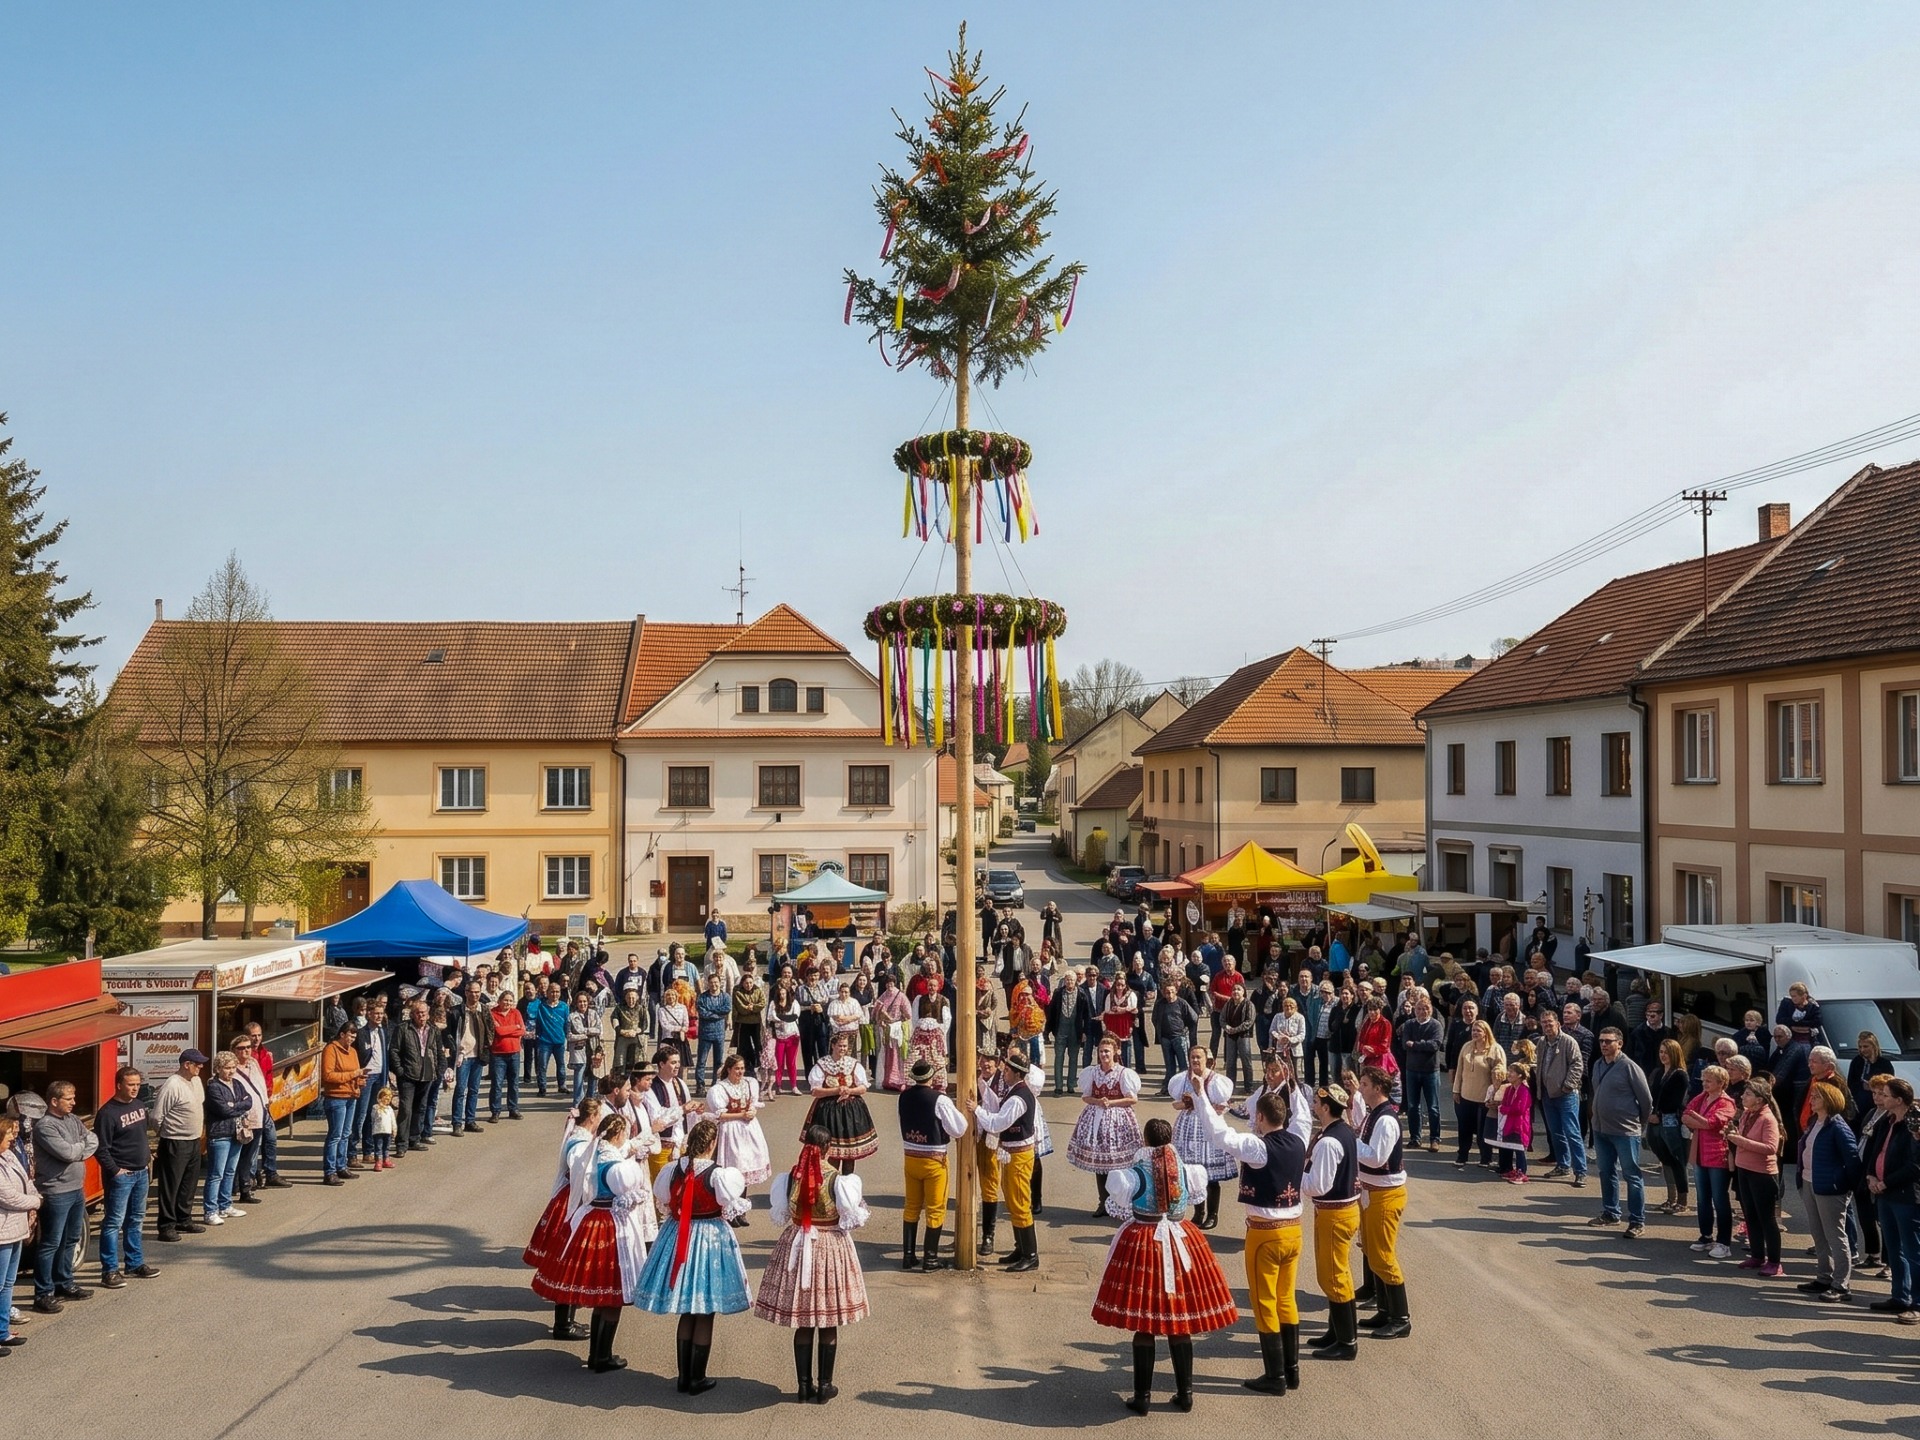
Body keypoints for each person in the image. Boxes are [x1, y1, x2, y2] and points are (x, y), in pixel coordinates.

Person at [1093, 1116, 1239, 1415]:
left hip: (1144, 1243)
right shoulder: (1185, 1170)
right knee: (1178, 1318)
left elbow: (1119, 1202)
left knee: (1145, 1320)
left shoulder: (1133, 1173)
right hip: (1180, 1239)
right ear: (1169, 1139)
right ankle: (1185, 1394)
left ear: (1146, 1141)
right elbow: (1193, 1195)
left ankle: (1142, 1397)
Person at [1202, 1067, 1312, 1396]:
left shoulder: (1258, 1147)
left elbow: (1219, 1135)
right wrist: (1290, 1083)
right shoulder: (1299, 1138)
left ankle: (1275, 1376)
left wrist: (1199, 1097)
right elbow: (1303, 1113)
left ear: (1262, 1118)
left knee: (1264, 1301)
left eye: (1255, 1117)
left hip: (1265, 1232)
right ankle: (1291, 1371)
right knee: (1286, 1298)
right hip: (1294, 1229)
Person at [753, 1125, 872, 1404]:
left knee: (804, 1321)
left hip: (798, 1244)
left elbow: (781, 1215)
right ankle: (824, 1385)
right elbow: (851, 1217)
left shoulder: (789, 1179)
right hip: (829, 1246)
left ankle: (803, 1386)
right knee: (828, 1320)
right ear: (828, 1148)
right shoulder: (839, 1180)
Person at [633, 1118, 752, 1395]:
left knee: (687, 1310)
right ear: (712, 1144)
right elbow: (728, 1203)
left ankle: (683, 1377)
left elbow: (664, 1199)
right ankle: (696, 1378)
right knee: (705, 1310)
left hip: (677, 1236)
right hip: (709, 1238)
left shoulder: (673, 1169)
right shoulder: (719, 1174)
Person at [534, 1113, 657, 1374]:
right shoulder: (617, 1166)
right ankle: (602, 1356)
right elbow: (628, 1196)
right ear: (617, 1134)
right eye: (624, 1132)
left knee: (603, 1294)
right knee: (612, 1294)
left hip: (590, 1220)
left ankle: (598, 1353)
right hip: (610, 1226)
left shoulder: (591, 1155)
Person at [523, 1099, 604, 1341]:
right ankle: (563, 1325)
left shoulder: (581, 1138)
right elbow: (580, 1171)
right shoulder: (579, 1143)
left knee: (568, 1263)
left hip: (571, 1200)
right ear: (591, 1118)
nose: (600, 1119)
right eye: (599, 1115)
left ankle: (566, 1320)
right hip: (573, 1202)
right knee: (568, 1262)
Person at [1301, 1082, 1361, 1361]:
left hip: (1334, 1213)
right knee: (1337, 1274)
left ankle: (1347, 1342)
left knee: (1334, 1276)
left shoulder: (1328, 1142)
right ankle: (1336, 1331)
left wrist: (1293, 1174)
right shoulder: (1343, 1132)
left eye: (1316, 1103)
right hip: (1341, 1211)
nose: (1314, 1106)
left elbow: (1318, 1185)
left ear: (1326, 1108)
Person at [1352, 1065, 1413, 1338]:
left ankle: (1401, 1318)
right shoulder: (1373, 1115)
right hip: (1371, 1191)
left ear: (1378, 1088)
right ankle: (1386, 1311)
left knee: (1383, 1255)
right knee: (1371, 1251)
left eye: (1364, 1084)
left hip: (1385, 1194)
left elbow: (1377, 1157)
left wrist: (1349, 1142)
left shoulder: (1386, 1119)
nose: (1360, 1088)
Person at [30, 1080, 98, 1312]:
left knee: (71, 1239)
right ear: (54, 1101)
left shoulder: (73, 1119)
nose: (74, 1102)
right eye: (69, 1099)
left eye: (73, 1097)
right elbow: (67, 1152)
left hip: (76, 1189)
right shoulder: (45, 1126)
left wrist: (77, 1149)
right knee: (50, 1243)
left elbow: (93, 1140)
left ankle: (64, 1283)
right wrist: (79, 1149)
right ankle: (43, 1293)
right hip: (55, 1192)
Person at [897, 1057, 969, 1271]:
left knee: (911, 1206)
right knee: (935, 1209)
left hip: (911, 1156)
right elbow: (960, 1128)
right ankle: (930, 1258)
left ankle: (908, 1256)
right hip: (934, 1159)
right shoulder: (940, 1099)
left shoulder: (903, 1097)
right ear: (930, 1077)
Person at [975, 1049, 1043, 1271]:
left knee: (1020, 1202)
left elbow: (997, 1124)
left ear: (1015, 1073)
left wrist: (976, 1109)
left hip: (1019, 1155)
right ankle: (1021, 1248)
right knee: (1013, 1200)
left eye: (1006, 1070)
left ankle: (1031, 1254)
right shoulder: (1016, 1092)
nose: (1003, 1073)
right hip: (1014, 1153)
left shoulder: (1018, 1097)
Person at [94, 1065, 158, 1288]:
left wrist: (148, 1156)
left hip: (142, 1172)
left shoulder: (140, 1106)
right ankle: (109, 1270)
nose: (135, 1089)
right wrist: (115, 1171)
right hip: (121, 1176)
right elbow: (101, 1148)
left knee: (136, 1220)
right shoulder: (107, 1113)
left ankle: (134, 1263)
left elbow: (141, 1135)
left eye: (138, 1084)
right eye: (131, 1085)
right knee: (113, 1223)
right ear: (119, 1084)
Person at [1863, 1077, 1920, 1322]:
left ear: (1898, 1100)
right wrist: (1870, 1176)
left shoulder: (1913, 1124)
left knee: (1912, 1250)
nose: (1880, 1098)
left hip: (1904, 1196)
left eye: (1885, 1095)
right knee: (1894, 1248)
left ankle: (1917, 1303)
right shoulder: (1887, 1120)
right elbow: (1875, 1150)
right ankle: (1900, 1296)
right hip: (1883, 1193)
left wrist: (1886, 1182)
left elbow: (1915, 1165)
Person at [1587, 1027, 1654, 1237]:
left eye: (1608, 1041)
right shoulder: (1598, 1064)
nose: (1604, 1045)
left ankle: (1636, 1221)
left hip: (1625, 1131)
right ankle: (1611, 1213)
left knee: (1631, 1175)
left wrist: (1637, 1124)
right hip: (1600, 1130)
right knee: (1606, 1173)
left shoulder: (1629, 1067)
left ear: (1620, 1043)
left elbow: (1646, 1101)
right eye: (1601, 1041)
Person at [1797, 1079, 1859, 1301]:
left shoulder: (1838, 1126)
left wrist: (1844, 1185)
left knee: (1835, 1235)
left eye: (1817, 1097)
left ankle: (1841, 1285)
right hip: (1810, 1182)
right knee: (1818, 1234)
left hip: (1830, 1189)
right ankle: (1824, 1277)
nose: (1812, 1100)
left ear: (1829, 1100)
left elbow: (1852, 1159)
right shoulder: (1816, 1122)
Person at [1070, 1038, 1144, 1217]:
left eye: (1107, 1051)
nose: (1103, 1055)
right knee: (1100, 1164)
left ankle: (1121, 1202)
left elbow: (1132, 1099)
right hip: (1096, 1119)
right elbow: (1086, 1097)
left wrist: (1111, 1102)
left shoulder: (1123, 1073)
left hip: (1119, 1120)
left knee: (1118, 1165)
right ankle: (1103, 1202)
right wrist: (1097, 1101)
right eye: (1101, 1051)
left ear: (1116, 1052)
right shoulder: (1092, 1072)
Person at [1168, 1050, 1235, 1229]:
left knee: (1211, 1176)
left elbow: (1223, 1106)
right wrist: (1188, 1103)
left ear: (1207, 1060)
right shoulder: (1183, 1079)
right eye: (1193, 1057)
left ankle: (1213, 1214)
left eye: (1199, 1057)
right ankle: (1199, 1212)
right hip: (1188, 1126)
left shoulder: (1216, 1081)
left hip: (1209, 1126)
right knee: (1193, 1172)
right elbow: (1176, 1104)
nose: (1196, 1060)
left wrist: (1197, 1103)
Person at [1728, 1072, 1786, 1278]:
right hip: (1745, 1169)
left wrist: (1738, 1140)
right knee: (1750, 1215)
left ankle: (1775, 1262)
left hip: (1763, 1174)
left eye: (1748, 1094)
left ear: (1760, 1099)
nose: (1743, 1097)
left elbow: (1771, 1147)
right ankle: (1757, 1255)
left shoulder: (1767, 1118)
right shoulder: (1747, 1114)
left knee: (1767, 1219)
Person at [802, 1030, 879, 1174]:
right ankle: (832, 1186)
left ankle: (847, 1187)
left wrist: (849, 1091)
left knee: (850, 1154)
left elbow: (863, 1088)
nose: (843, 1049)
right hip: (828, 1111)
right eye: (840, 1046)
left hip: (850, 1112)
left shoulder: (853, 1064)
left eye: (845, 1046)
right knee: (830, 1152)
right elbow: (815, 1091)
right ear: (832, 1045)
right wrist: (837, 1090)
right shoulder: (822, 1064)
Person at [1683, 1064, 1738, 1259]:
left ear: (1721, 1083)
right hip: (1699, 1154)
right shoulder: (1702, 1097)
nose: (1705, 1084)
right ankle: (1705, 1235)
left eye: (1709, 1081)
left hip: (1717, 1156)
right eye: (1704, 1080)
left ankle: (1724, 1242)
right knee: (1702, 1198)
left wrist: (1697, 1120)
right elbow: (1685, 1115)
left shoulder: (1727, 1102)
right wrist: (1700, 1121)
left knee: (1719, 1199)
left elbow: (1712, 1123)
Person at [706, 1054, 772, 1202]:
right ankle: (730, 1206)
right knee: (734, 1169)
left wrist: (752, 1111)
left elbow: (753, 1104)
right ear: (729, 1069)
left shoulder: (749, 1083)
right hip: (731, 1131)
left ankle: (741, 1208)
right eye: (737, 1069)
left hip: (748, 1131)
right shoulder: (720, 1088)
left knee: (745, 1167)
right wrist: (741, 1115)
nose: (740, 1072)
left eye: (742, 1068)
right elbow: (720, 1115)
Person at [1535, 1010, 1585, 1184]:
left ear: (1558, 1023)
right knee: (1556, 1133)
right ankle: (1563, 1166)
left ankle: (1581, 1171)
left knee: (1572, 1133)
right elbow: (1539, 1065)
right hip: (1547, 1095)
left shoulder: (1568, 1042)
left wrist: (1567, 1086)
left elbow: (1577, 1065)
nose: (1547, 1026)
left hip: (1566, 1096)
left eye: (1550, 1022)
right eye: (1544, 1023)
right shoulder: (1541, 1043)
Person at [201, 1052, 251, 1226]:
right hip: (219, 1134)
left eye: (233, 1067)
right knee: (216, 1174)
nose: (231, 1071)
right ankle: (210, 1211)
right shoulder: (214, 1086)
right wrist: (238, 1106)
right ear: (218, 1068)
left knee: (230, 1171)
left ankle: (225, 1205)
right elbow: (223, 1110)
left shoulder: (237, 1083)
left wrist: (235, 1105)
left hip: (236, 1132)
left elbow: (248, 1101)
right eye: (227, 1068)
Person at [1450, 1019, 1503, 1171]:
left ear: (1486, 1033)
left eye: (1478, 1031)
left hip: (1484, 1099)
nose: (1475, 1033)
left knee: (1483, 1131)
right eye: (1473, 1030)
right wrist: (1456, 1090)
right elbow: (1459, 1070)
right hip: (1465, 1096)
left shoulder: (1495, 1049)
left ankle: (1485, 1158)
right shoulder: (1466, 1047)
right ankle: (1462, 1156)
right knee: (1464, 1128)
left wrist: (1496, 1096)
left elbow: (1500, 1072)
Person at [1646, 1038, 1691, 1214]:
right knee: (1664, 1159)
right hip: (1655, 1120)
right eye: (1661, 1052)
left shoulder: (1680, 1074)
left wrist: (1659, 1114)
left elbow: (1676, 1100)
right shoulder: (1658, 1072)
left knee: (1677, 1159)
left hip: (1670, 1120)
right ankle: (1670, 1198)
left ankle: (1682, 1200)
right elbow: (1652, 1095)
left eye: (1666, 1052)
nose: (1663, 1055)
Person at [641, 1047, 695, 1183]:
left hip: (680, 1143)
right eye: (673, 1062)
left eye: (678, 1062)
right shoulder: (652, 1087)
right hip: (662, 1146)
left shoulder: (680, 1083)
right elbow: (657, 1117)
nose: (677, 1066)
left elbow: (687, 1111)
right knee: (660, 1185)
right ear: (661, 1064)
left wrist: (694, 1109)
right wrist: (682, 1109)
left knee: (678, 1186)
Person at [1395, 995, 1442, 1151]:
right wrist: (1421, 1045)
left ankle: (1435, 1138)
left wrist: (1415, 1044)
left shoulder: (1436, 1025)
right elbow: (1404, 1044)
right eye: (1419, 1009)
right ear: (1415, 1010)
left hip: (1430, 1071)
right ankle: (1415, 1138)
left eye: (1425, 1008)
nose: (1422, 1011)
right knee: (1413, 1106)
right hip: (1412, 1070)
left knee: (1433, 1107)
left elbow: (1435, 1045)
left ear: (1430, 1010)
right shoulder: (1409, 1024)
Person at [1049, 972, 1095, 1095]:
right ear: (1064, 980)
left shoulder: (1081, 994)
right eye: (1067, 979)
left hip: (1075, 1030)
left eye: (1071, 980)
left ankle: (1070, 1084)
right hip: (1061, 1029)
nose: (1069, 982)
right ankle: (1058, 1086)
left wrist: (1085, 1032)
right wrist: (1049, 1030)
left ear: (1075, 981)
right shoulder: (1058, 993)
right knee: (1059, 1057)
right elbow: (1051, 1011)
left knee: (1073, 1058)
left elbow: (1087, 1015)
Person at [908, 979, 952, 1090]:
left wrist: (940, 1032)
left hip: (936, 1035)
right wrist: (917, 1029)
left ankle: (938, 1082)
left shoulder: (943, 1000)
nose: (931, 988)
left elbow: (947, 1019)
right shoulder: (920, 999)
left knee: (937, 1059)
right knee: (922, 1057)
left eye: (934, 986)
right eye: (930, 985)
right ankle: (923, 1080)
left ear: (938, 987)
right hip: (922, 1035)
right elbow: (915, 1017)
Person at [488, 990, 525, 1122]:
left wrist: (509, 1029)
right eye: (505, 1000)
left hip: (514, 1053)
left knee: (514, 1083)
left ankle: (513, 1109)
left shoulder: (516, 1012)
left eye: (510, 1000)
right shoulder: (492, 1013)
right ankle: (495, 1111)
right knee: (497, 1084)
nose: (508, 1003)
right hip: (498, 1054)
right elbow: (497, 1031)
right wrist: (514, 1027)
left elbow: (523, 1030)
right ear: (500, 1000)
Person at [1153, 980, 1198, 1086]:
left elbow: (1194, 1018)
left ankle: (1186, 1087)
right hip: (1165, 1038)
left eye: (1172, 991)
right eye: (1167, 992)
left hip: (1179, 1037)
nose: (1170, 995)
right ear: (1163, 992)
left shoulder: (1182, 1003)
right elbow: (1154, 1018)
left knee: (1184, 1065)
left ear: (1176, 991)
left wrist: (1185, 1029)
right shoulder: (1159, 1004)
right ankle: (1170, 1087)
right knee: (1169, 1066)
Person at [766, 977, 804, 1096]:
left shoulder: (794, 1003)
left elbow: (795, 1016)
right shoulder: (773, 1003)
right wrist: (783, 1018)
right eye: (780, 993)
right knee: (779, 1062)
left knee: (791, 1062)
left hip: (792, 1036)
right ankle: (778, 1085)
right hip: (779, 1037)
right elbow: (771, 1017)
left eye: (784, 992)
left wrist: (781, 1018)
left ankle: (794, 1086)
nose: (782, 995)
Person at [368, 1085, 398, 1170]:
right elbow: (373, 1119)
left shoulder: (389, 1109)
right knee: (378, 1147)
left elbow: (393, 1121)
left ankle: (386, 1160)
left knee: (386, 1147)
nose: (386, 1100)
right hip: (378, 1131)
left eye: (388, 1099)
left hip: (388, 1131)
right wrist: (373, 1129)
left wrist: (394, 1130)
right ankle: (378, 1161)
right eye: (384, 1098)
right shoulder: (375, 1107)